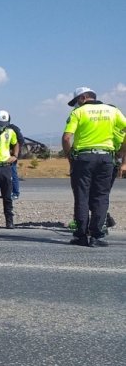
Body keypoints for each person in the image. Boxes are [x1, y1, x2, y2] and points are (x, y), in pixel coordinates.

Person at [61, 86, 126, 247]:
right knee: (101, 197)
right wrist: (122, 154)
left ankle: (81, 236)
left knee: (82, 196)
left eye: (76, 101)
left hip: (84, 158)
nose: (76, 104)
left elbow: (67, 137)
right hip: (106, 158)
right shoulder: (113, 111)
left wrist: (70, 158)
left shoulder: (78, 112)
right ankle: (97, 236)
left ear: (82, 98)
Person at [7, 117, 24, 199]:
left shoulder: (13, 128)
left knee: (13, 174)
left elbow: (20, 141)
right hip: (4, 155)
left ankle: (15, 193)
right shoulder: (1, 129)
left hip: (12, 155)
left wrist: (14, 153)